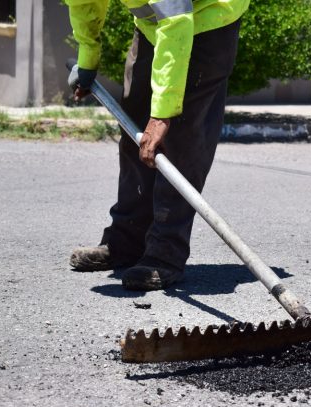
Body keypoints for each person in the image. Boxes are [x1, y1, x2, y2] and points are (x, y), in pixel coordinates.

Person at [65, 0, 249, 290]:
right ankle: (126, 241)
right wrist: (87, 60)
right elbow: (85, 3)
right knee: (133, 132)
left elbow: (177, 20)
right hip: (157, 26)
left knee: (179, 143)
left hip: (208, 17)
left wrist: (162, 114)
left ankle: (165, 254)